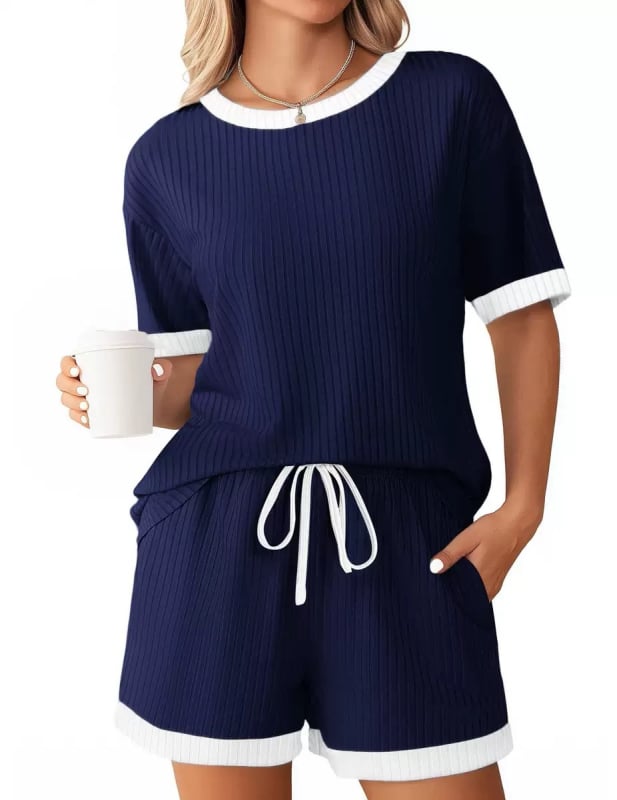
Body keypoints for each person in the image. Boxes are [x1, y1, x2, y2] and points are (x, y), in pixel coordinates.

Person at [55, 1, 571, 798]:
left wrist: (523, 506)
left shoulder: (449, 100)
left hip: (408, 545)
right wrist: (109, 394)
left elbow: (521, 317)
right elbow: (196, 385)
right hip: (214, 552)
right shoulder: (167, 157)